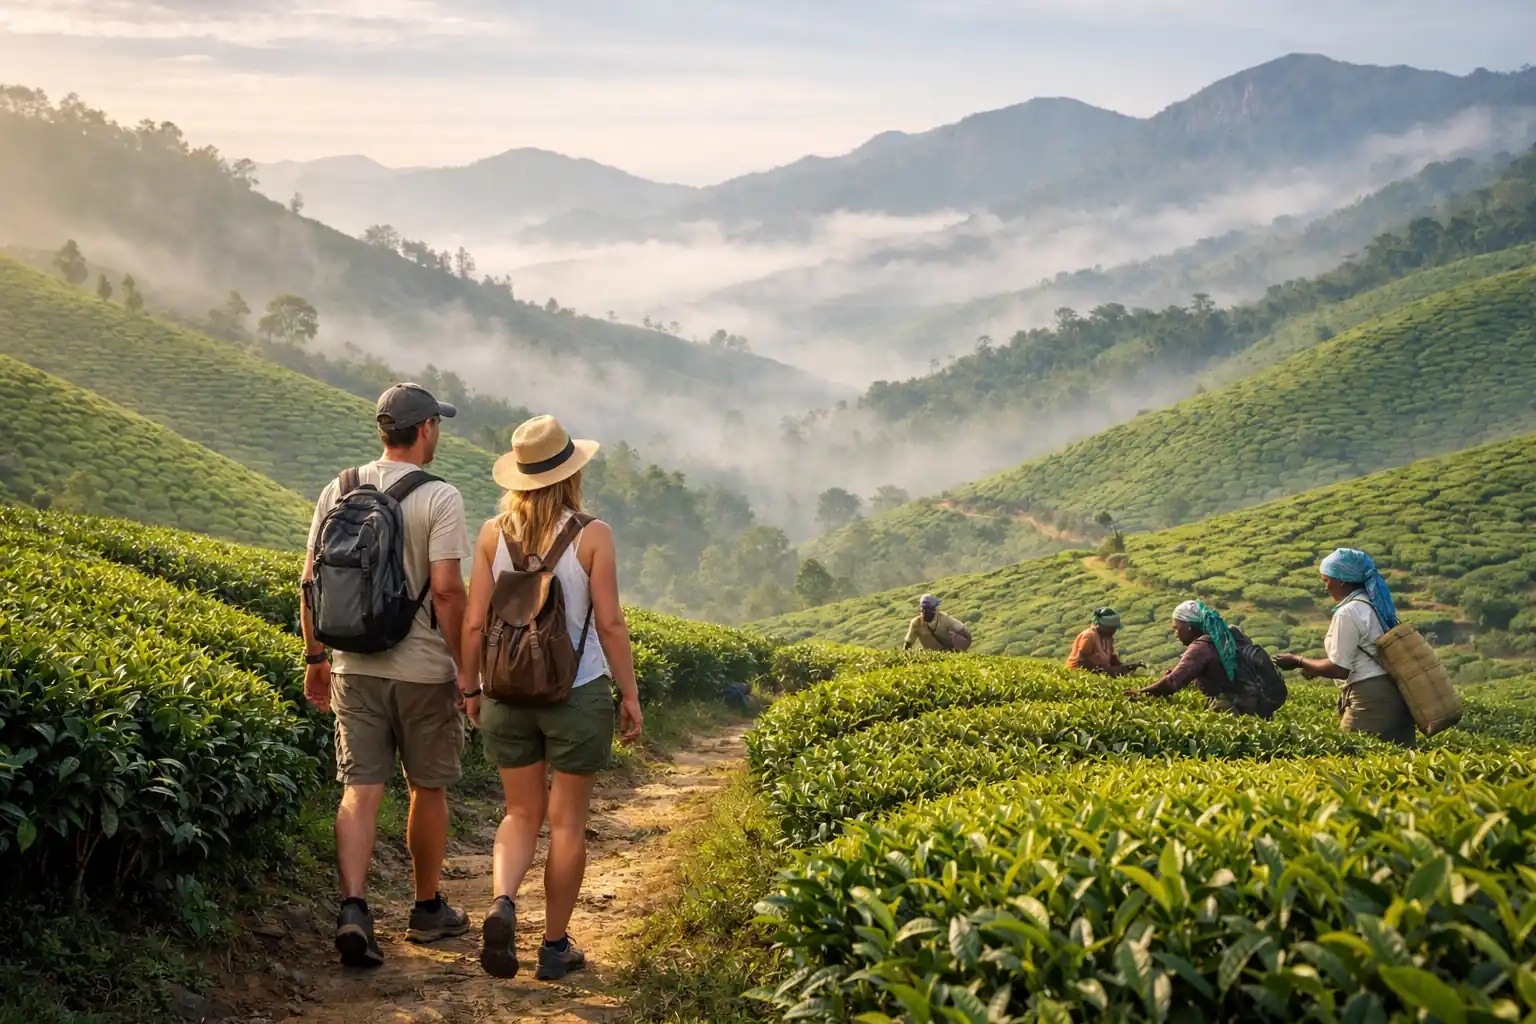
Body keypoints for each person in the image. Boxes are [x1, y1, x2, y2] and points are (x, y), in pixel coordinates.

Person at [460, 414, 645, 981]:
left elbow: (473, 622)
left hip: (505, 693)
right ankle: (554, 945)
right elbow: (610, 624)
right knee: (566, 824)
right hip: (577, 693)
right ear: (570, 474)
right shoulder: (593, 535)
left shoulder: (492, 534)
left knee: (519, 813)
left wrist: (470, 687)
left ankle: (502, 902)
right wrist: (630, 695)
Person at [301, 383, 472, 968]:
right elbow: (447, 591)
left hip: (352, 665)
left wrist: (316, 659)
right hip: (423, 671)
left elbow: (310, 581)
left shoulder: (339, 487)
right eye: (436, 424)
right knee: (428, 787)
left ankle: (354, 908)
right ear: (425, 429)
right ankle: (426, 909)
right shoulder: (440, 496)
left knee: (360, 789)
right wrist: (466, 672)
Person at [1274, 548, 1415, 746]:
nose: (1326, 588)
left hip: (1371, 698)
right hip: (1395, 693)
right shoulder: (1372, 604)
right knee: (1399, 757)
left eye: (1326, 581)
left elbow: (1339, 669)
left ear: (1341, 581)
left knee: (1350, 752)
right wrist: (1315, 668)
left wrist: (1297, 661)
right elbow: (1360, 656)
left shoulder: (1348, 612)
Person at [1125, 599, 1263, 715]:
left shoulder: (1201, 647)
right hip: (1258, 705)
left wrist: (1140, 693)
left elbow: (1172, 683)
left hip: (1233, 710)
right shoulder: (1227, 636)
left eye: (1177, 628)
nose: (1176, 634)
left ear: (1189, 627)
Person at [1065, 607, 1143, 677]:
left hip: (1100, 673)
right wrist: (1105, 671)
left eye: (1115, 628)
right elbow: (1081, 661)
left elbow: (1113, 660)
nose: (1114, 631)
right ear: (1100, 626)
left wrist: (1127, 667)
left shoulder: (1108, 639)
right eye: (1110, 628)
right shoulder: (1089, 637)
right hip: (1079, 674)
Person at [903, 594, 971, 651]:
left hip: (945, 652)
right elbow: (908, 643)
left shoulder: (944, 618)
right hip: (936, 654)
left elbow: (908, 644)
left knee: (952, 635)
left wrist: (958, 645)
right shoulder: (916, 623)